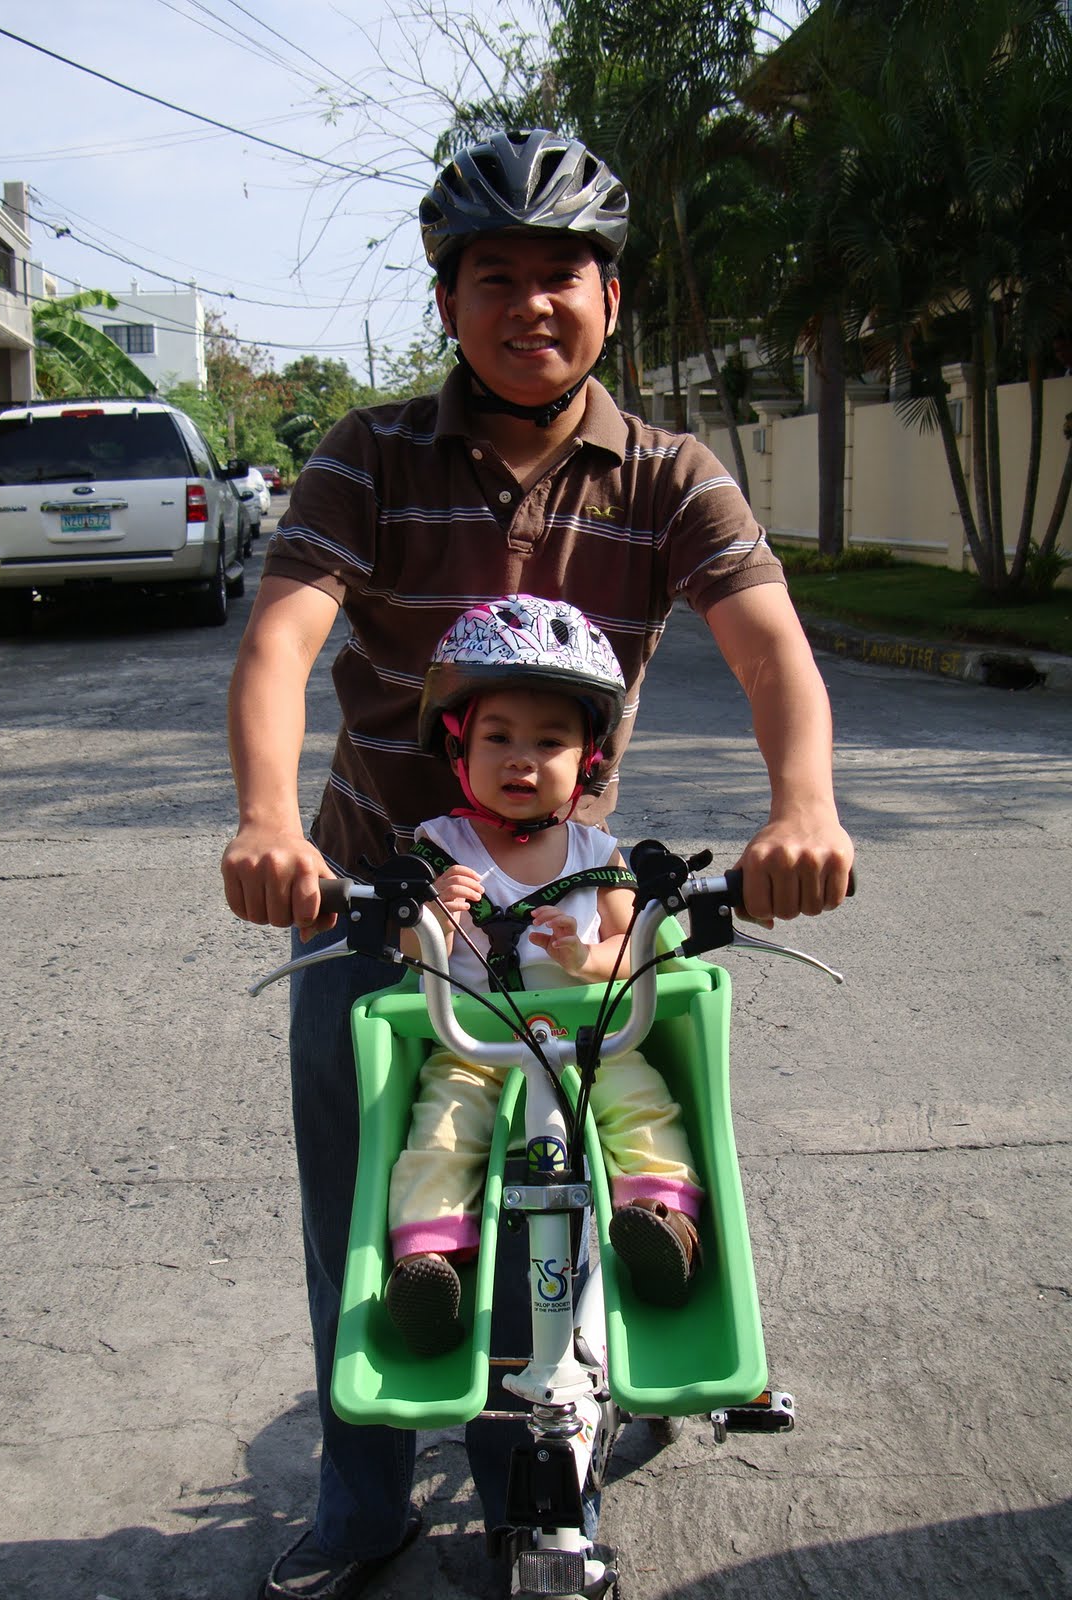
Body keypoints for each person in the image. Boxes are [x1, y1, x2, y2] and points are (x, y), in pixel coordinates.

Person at [222, 127, 854, 1600]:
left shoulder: (669, 473)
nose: (530, 306)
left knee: (651, 1122)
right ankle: (365, 1495)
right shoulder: (367, 456)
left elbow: (772, 653)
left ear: (610, 299)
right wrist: (264, 822)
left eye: (560, 273)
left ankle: (640, 1340)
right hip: (384, 896)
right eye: (491, 277)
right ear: (447, 305)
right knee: (376, 1205)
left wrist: (803, 805)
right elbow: (280, 646)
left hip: (578, 916)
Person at [387, 595, 703, 1358]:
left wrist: (589, 960)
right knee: (440, 1132)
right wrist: (427, 913)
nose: (521, 758)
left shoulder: (602, 856)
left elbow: (644, 950)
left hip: (595, 1037)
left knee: (642, 1108)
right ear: (458, 750)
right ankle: (433, 1267)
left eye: (549, 741)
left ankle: (664, 1228)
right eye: (497, 738)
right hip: (475, 1043)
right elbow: (405, 951)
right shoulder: (438, 845)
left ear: (587, 760)